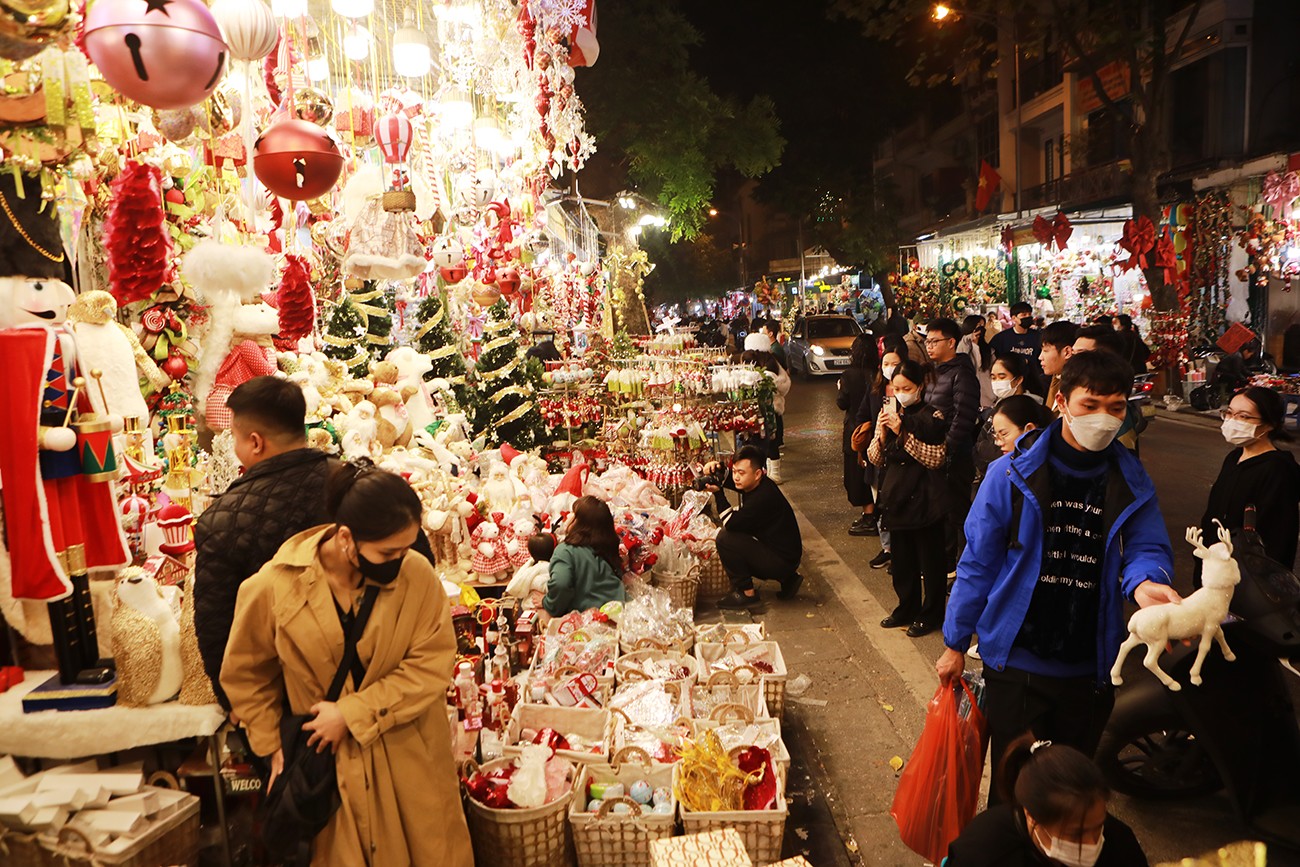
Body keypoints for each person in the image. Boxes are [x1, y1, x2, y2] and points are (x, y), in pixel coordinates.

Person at [937, 351, 1179, 788]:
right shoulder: (1008, 474)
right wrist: (955, 641)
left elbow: (1147, 545)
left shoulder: (1131, 480)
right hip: (1016, 664)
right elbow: (978, 563)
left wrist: (1146, 583)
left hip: (1090, 667)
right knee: (1015, 791)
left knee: (1070, 792)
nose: (1104, 418)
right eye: (1091, 405)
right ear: (1062, 402)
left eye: (1117, 408)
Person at [221, 462, 473, 866]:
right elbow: (246, 672)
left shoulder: (416, 575)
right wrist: (272, 749)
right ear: (345, 538)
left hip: (409, 756)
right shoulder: (273, 586)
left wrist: (352, 712)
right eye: (388, 552)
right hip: (329, 771)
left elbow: (433, 661)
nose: (400, 560)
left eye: (406, 548)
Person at [194, 375, 434, 709]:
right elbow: (418, 565)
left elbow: (218, 632)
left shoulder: (222, 519)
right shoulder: (362, 486)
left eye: (234, 436)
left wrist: (248, 719)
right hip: (386, 689)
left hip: (294, 709)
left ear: (255, 442)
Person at [945, 735, 1149, 866]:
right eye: (1076, 834)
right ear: (1032, 818)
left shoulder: (1119, 844)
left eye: (1098, 827)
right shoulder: (984, 852)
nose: (1092, 843)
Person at [869, 359, 949, 636]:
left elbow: (936, 458)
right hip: (897, 499)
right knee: (902, 563)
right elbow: (875, 458)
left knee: (931, 563)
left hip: (926, 500)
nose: (901, 393)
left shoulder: (934, 416)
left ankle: (932, 614)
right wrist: (881, 433)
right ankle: (906, 607)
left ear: (921, 386)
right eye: (896, 387)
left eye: (907, 387)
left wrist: (902, 432)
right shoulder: (890, 414)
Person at [1199, 386, 1300, 579]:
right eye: (1229, 413)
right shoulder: (1234, 457)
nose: (1232, 421)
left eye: (1244, 416)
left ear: (1269, 424)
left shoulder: (1277, 470)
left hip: (1248, 581)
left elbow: (1278, 537)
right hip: (1215, 571)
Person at [706, 445, 803, 609]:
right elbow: (735, 481)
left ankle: (746, 592)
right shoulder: (761, 484)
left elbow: (730, 523)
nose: (736, 477)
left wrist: (718, 493)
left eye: (741, 473)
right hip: (787, 556)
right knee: (738, 533)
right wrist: (718, 470)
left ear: (758, 473)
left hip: (781, 560)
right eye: (734, 471)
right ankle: (788, 579)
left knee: (725, 538)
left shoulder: (762, 497)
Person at [925, 317, 981, 569]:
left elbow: (964, 416)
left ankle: (961, 565)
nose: (929, 346)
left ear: (951, 342)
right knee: (940, 510)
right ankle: (945, 561)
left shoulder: (961, 374)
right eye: (927, 341)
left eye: (934, 341)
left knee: (957, 512)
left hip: (955, 456)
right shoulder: (935, 372)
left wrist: (947, 447)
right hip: (935, 453)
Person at [856, 347, 904, 567]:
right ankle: (888, 549)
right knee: (880, 502)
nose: (889, 368)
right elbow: (862, 414)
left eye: (894, 363)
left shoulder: (908, 391)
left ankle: (903, 552)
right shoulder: (875, 389)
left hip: (901, 456)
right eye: (885, 363)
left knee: (900, 502)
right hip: (878, 454)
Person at [542, 496, 627, 617]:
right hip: (622, 612)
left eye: (573, 513)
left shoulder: (565, 551)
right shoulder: (606, 545)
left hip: (590, 621)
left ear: (580, 522)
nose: (569, 515)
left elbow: (561, 584)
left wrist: (548, 603)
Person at [838, 334, 880, 536]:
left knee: (856, 474)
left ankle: (869, 515)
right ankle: (874, 513)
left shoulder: (848, 375)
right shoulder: (878, 373)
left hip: (856, 430)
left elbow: (842, 403)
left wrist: (840, 388)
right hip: (876, 429)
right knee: (873, 471)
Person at [742, 332, 791, 483]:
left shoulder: (751, 364)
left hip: (756, 412)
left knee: (757, 442)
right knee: (771, 441)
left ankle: (763, 473)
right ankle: (773, 473)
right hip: (773, 411)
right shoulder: (772, 362)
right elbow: (785, 384)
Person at [989, 302, 1043, 389]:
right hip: (1009, 384)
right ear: (1014, 318)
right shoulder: (1001, 338)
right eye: (1024, 315)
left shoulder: (1038, 336)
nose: (1028, 317)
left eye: (1029, 314)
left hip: (1034, 382)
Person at [1039, 320, 1080, 411]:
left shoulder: (1078, 389)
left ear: (1067, 352)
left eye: (1046, 350)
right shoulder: (1056, 378)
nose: (1040, 357)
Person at [960, 314, 995, 408]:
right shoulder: (963, 344)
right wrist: (972, 341)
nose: (981, 329)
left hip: (987, 397)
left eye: (983, 326)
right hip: (968, 396)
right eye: (978, 325)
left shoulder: (988, 349)